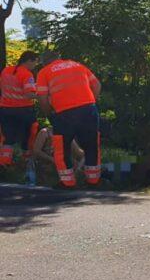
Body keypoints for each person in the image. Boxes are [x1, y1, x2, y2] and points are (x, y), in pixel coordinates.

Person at [36, 51, 102, 187]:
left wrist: (50, 114)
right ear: (59, 58)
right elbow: (97, 85)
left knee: (62, 148)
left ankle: (68, 183)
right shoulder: (78, 65)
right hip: (88, 110)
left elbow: (42, 99)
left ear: (44, 62)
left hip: (63, 113)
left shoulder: (44, 72)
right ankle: (93, 181)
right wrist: (90, 103)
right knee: (92, 145)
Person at [0, 51, 39, 166]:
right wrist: (43, 95)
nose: (35, 65)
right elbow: (29, 94)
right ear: (29, 61)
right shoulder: (27, 74)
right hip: (24, 110)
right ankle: (26, 160)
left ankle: (4, 162)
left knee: (8, 137)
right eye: (35, 62)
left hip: (6, 109)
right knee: (29, 134)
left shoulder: (6, 71)